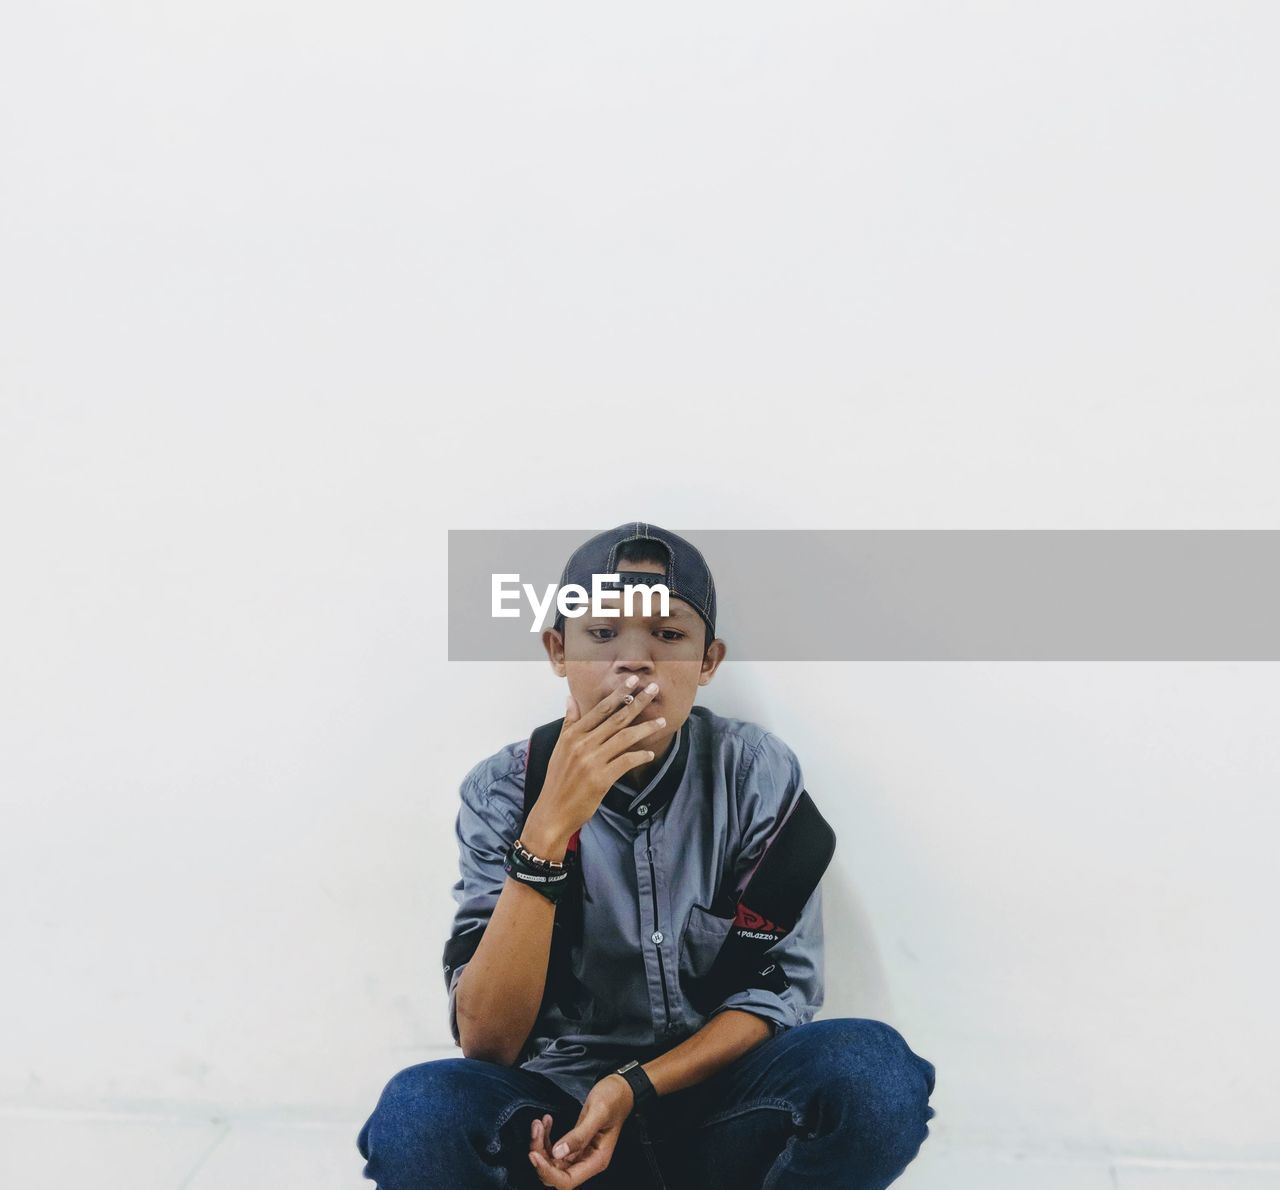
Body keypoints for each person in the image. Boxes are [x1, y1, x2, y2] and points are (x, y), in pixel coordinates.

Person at [357, 522, 936, 1189]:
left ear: (709, 661)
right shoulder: (500, 791)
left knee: (874, 1071)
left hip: (725, 1117)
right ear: (557, 649)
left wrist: (635, 1085)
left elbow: (781, 996)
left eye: (668, 636)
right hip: (561, 1130)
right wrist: (547, 831)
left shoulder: (755, 774)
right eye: (602, 634)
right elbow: (488, 1044)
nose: (635, 663)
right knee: (419, 1111)